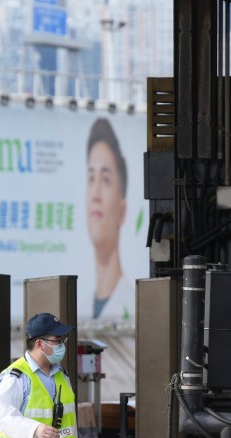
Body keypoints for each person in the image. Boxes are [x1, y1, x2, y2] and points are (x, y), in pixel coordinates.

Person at [86, 117, 131, 319]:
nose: (95, 194)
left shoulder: (133, 307)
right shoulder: (77, 310)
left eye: (105, 180)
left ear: (122, 210)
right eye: (91, 178)